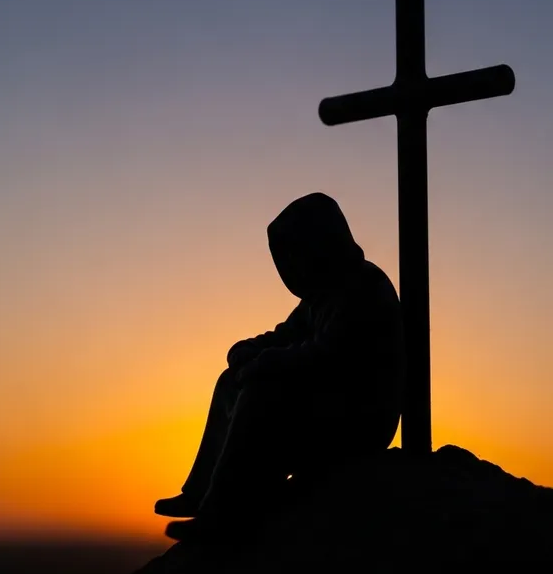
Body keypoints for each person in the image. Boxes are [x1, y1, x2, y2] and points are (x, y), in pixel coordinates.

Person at [155, 192, 405, 541]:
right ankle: (201, 492)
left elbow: (331, 356)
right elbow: (287, 335)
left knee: (262, 392)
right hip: (329, 408)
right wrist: (249, 350)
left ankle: (223, 511)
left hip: (357, 420)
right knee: (231, 382)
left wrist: (269, 362)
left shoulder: (362, 287)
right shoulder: (321, 295)